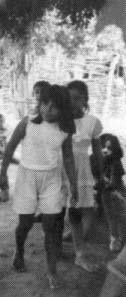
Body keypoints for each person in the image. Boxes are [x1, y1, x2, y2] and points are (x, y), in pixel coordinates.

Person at [0, 85, 78, 289]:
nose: (46, 109)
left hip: (51, 178)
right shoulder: (28, 123)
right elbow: (10, 147)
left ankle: (51, 270)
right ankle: (19, 250)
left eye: (53, 107)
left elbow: (68, 158)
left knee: (51, 226)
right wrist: (2, 173)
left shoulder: (65, 130)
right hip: (26, 177)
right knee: (24, 223)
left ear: (63, 110)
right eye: (44, 104)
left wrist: (74, 185)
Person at [66, 80, 104, 272]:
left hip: (84, 170)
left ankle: (76, 237)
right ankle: (79, 252)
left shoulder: (92, 122)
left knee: (89, 209)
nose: (73, 102)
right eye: (69, 98)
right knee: (72, 211)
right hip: (64, 169)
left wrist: (101, 175)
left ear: (85, 100)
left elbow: (97, 152)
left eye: (77, 98)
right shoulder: (62, 120)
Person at [99, 133, 126, 252]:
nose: (105, 150)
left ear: (115, 149)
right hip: (105, 192)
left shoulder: (116, 162)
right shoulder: (98, 161)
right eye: (103, 147)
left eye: (109, 148)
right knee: (110, 215)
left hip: (117, 191)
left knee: (121, 215)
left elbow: (116, 181)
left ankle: (120, 238)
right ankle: (114, 237)